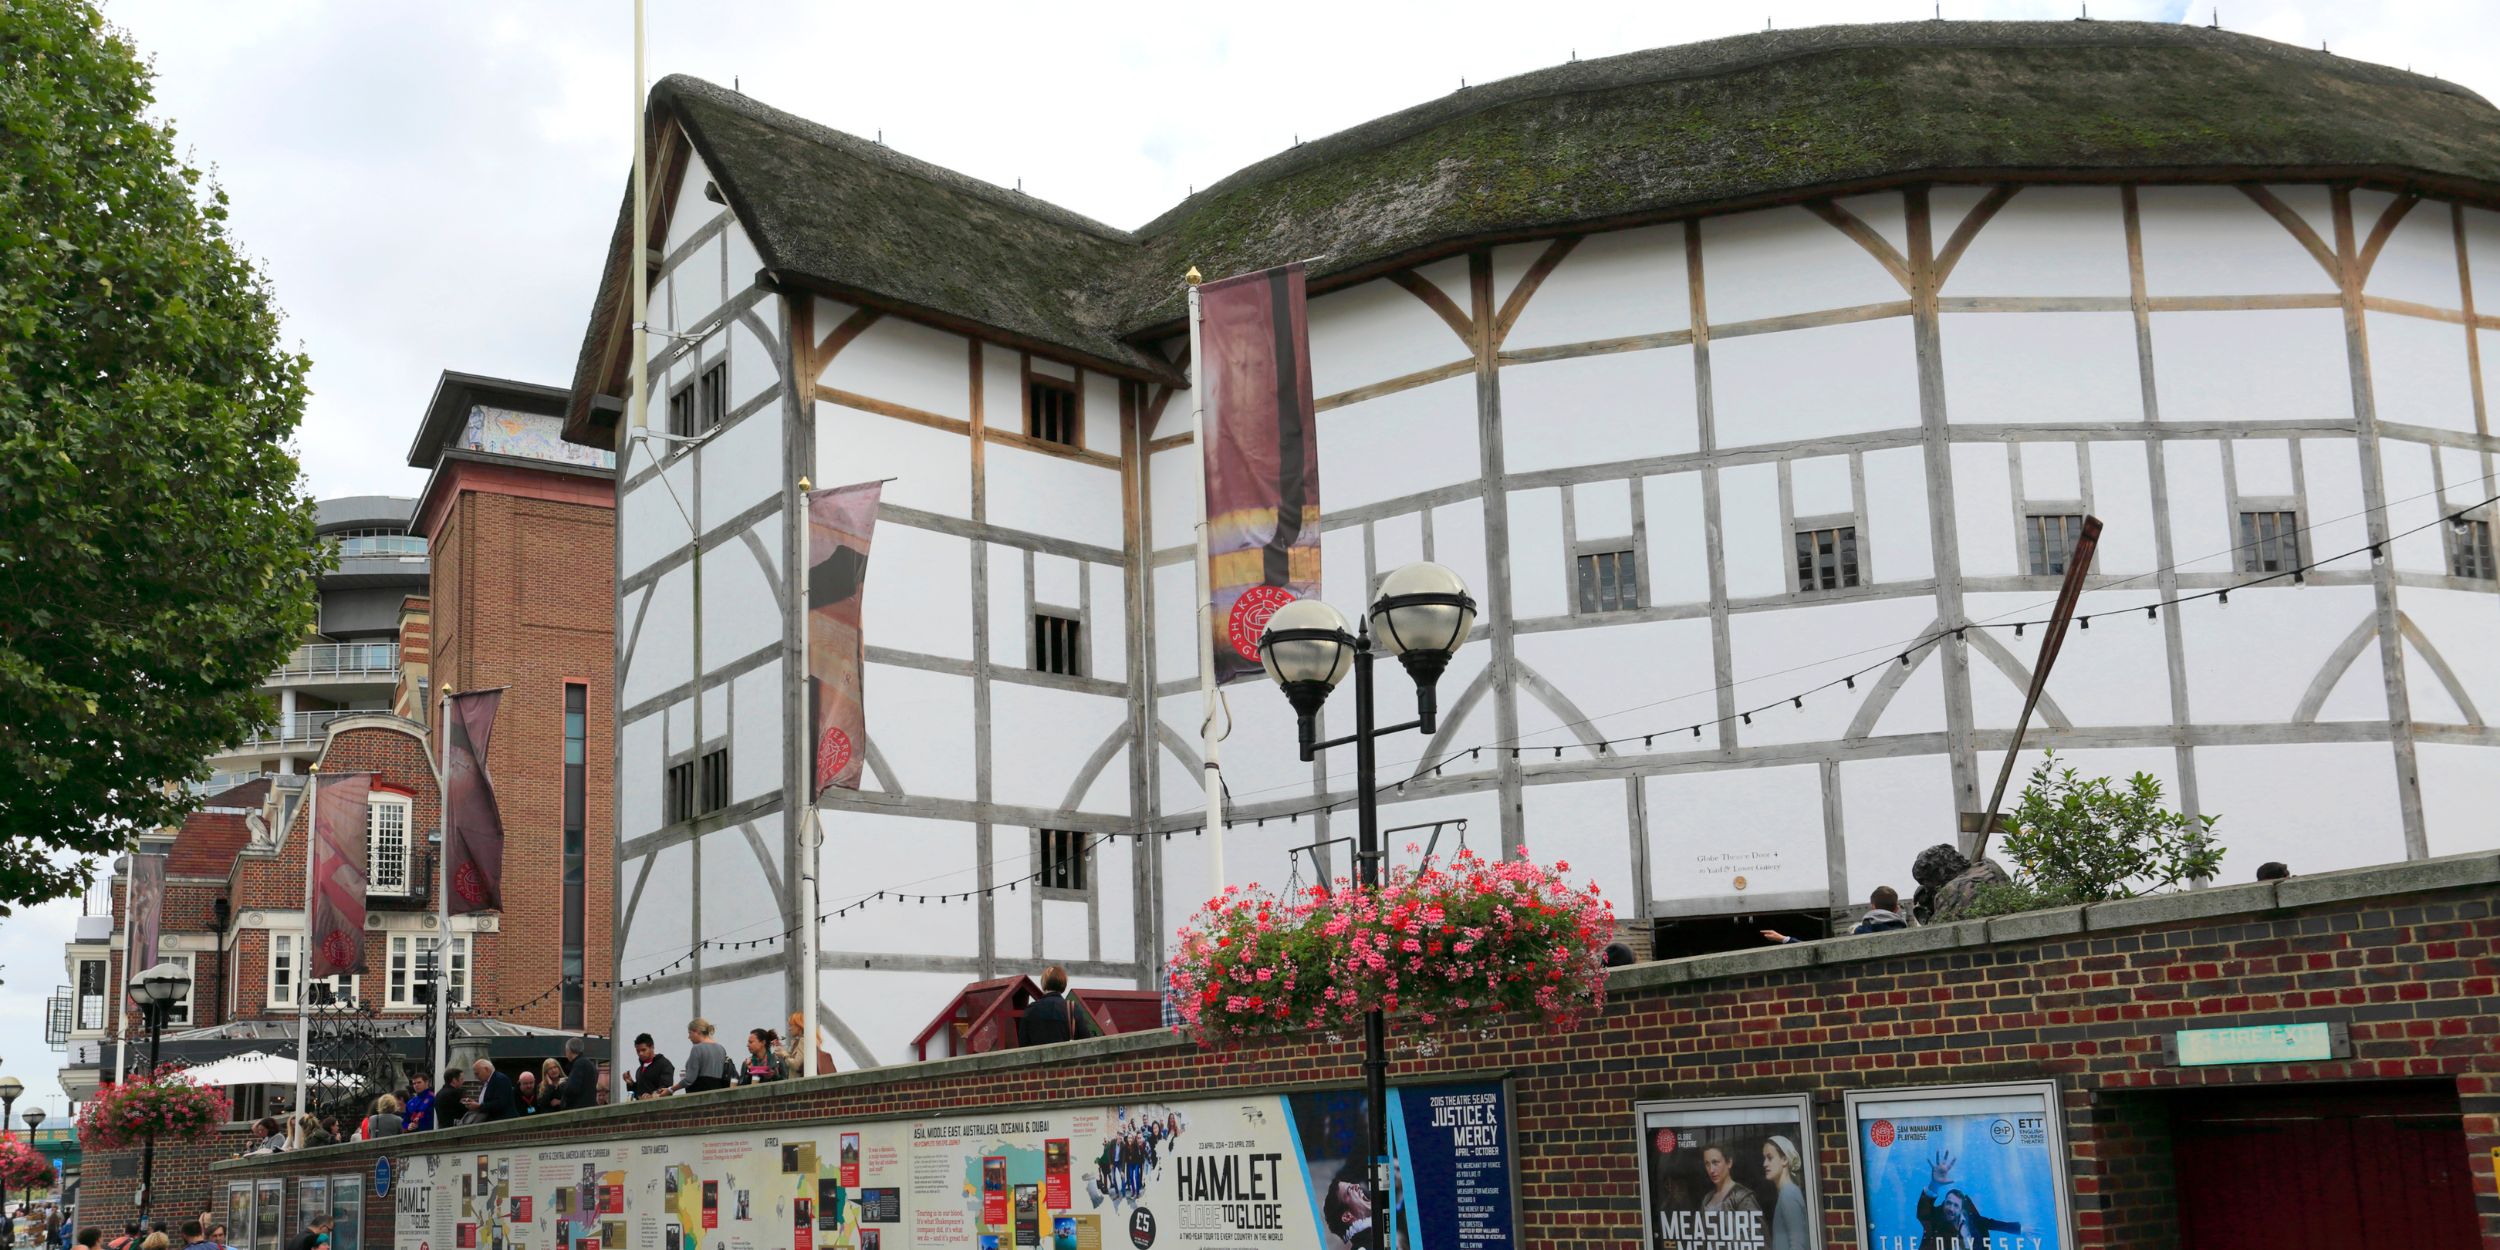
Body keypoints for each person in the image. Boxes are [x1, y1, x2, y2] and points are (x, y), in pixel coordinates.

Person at [1914, 1151, 2021, 1250]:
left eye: (1956, 1205)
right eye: (1949, 1203)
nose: (1951, 1208)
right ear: (1944, 1203)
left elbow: (1994, 1224)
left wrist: (2020, 1229)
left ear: (1961, 1209)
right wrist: (1935, 1184)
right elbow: (1924, 1212)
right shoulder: (1935, 1219)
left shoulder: (1972, 1221)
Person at [1763, 886, 1911, 944]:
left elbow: (1820, 952)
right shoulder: (1907, 934)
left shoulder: (1862, 933)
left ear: (1872, 906)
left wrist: (1784, 939)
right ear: (1897, 907)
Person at [1018, 966, 1097, 1047]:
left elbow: (1023, 1043)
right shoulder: (1071, 1008)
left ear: (1043, 983)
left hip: (1040, 1058)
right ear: (1063, 983)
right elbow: (1086, 1040)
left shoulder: (1030, 1010)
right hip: (1067, 1058)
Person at [1760, 1136, 1809, 1250]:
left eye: (1770, 1158)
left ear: (1784, 1160)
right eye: (1764, 1158)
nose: (1765, 1164)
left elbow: (1797, 1245)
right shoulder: (1786, 1193)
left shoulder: (1789, 1194)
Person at [670, 1019, 733, 1094]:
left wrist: (670, 1089)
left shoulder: (697, 1048)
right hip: (716, 1094)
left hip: (699, 1093)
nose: (689, 1037)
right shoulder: (721, 1049)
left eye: (690, 1033)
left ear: (697, 1032)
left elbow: (689, 1080)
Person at [1698, 1144, 1760, 1214]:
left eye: (1715, 1162)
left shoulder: (1742, 1197)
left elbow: (1757, 1224)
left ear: (1729, 1163)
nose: (1711, 1170)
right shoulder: (1707, 1198)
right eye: (1707, 1164)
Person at [628, 1034, 675, 1099]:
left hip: (660, 1107)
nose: (640, 1053)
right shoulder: (639, 1070)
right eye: (638, 1051)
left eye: (643, 1050)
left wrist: (652, 1096)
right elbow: (638, 1095)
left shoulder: (664, 1064)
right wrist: (631, 1084)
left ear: (652, 1047)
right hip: (643, 1108)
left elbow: (666, 1088)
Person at [470, 1059, 518, 1123]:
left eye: (477, 1074)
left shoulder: (500, 1079)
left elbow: (500, 1103)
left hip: (503, 1122)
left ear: (486, 1069)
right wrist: (476, 1104)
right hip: (494, 1121)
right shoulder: (487, 1082)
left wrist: (479, 1106)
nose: (476, 1077)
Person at [560, 1039, 600, 1109]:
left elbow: (572, 1089)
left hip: (579, 1110)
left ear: (569, 1050)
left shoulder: (579, 1064)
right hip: (589, 1107)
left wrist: (562, 1084)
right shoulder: (589, 1063)